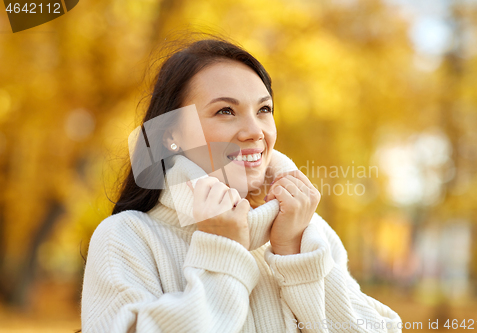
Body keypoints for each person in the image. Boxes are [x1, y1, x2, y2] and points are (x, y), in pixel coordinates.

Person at [81, 35, 402, 332]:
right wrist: (222, 254)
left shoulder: (306, 230)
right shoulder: (126, 237)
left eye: (264, 109)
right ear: (171, 135)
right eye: (225, 111)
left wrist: (295, 255)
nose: (254, 131)